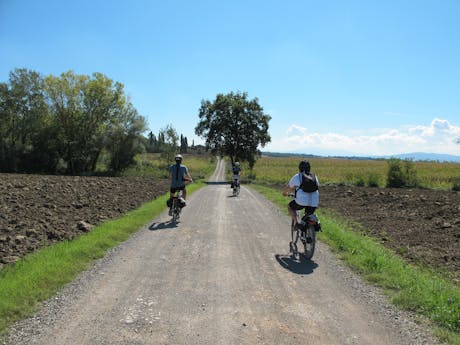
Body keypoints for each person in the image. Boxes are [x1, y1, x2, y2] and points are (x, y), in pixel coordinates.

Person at [282, 160, 319, 229]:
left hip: (301, 201)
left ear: (299, 168)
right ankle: (311, 231)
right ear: (309, 168)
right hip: (314, 201)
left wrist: (284, 193)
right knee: (309, 215)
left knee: (290, 207)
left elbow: (288, 188)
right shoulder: (314, 176)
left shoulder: (297, 176)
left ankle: (297, 223)